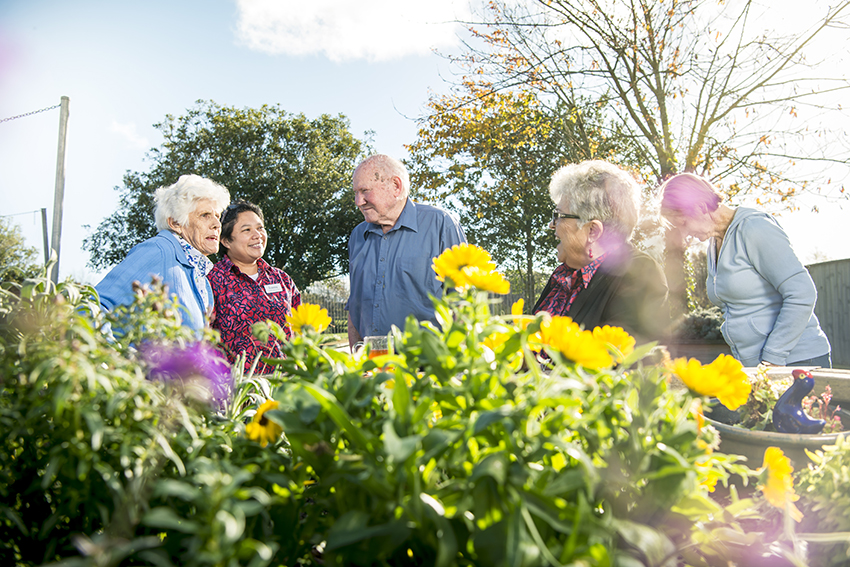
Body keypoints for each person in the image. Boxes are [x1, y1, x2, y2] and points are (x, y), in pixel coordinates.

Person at [660, 172, 831, 368]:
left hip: (795, 362)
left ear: (700, 206)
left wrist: (772, 358)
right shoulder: (714, 244)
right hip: (756, 365)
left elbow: (802, 293)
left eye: (683, 223)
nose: (684, 233)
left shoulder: (754, 228)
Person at [532, 160, 670, 342]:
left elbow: (623, 360)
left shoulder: (639, 273)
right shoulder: (564, 276)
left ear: (592, 231)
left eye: (558, 216)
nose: (551, 225)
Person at [346, 154, 466, 349]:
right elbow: (355, 305)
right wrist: (356, 358)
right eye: (355, 192)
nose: (358, 201)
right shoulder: (357, 236)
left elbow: (462, 303)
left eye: (365, 191)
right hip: (373, 366)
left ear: (396, 186)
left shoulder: (441, 224)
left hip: (428, 366)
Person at [96, 174, 230, 332]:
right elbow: (94, 306)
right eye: (205, 215)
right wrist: (114, 354)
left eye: (217, 216)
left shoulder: (202, 279)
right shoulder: (159, 250)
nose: (216, 224)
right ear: (175, 223)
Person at [208, 200, 301, 373]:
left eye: (260, 228)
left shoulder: (282, 280)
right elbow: (204, 339)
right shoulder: (213, 281)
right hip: (238, 391)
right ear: (226, 241)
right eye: (247, 230)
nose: (257, 235)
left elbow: (300, 331)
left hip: (286, 387)